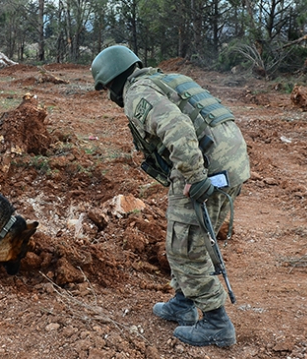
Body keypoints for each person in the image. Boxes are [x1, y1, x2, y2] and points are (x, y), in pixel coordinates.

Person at [90, 45, 250, 347]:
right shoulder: (165, 79)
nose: (110, 95)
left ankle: (216, 322)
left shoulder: (138, 93)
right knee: (188, 236)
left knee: (184, 248)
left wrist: (194, 175)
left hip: (205, 166)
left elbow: (177, 127)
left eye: (107, 88)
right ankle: (183, 302)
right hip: (231, 163)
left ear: (112, 81)